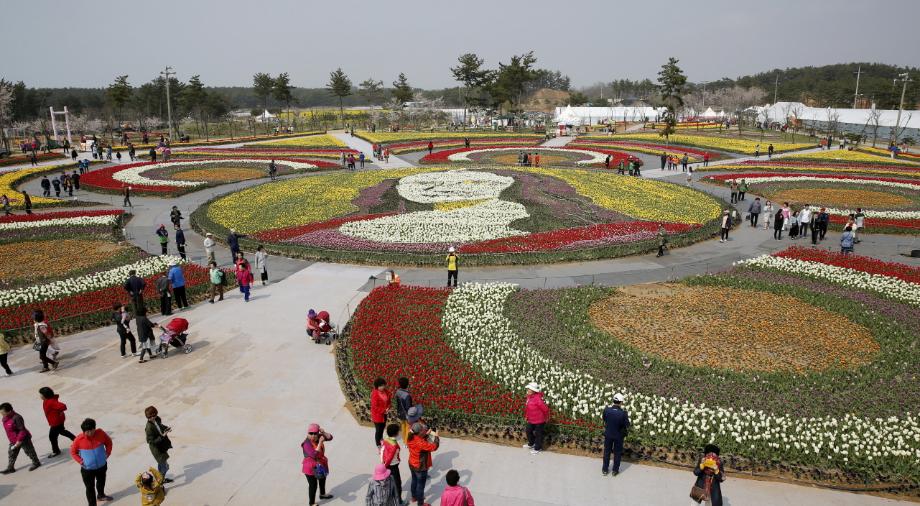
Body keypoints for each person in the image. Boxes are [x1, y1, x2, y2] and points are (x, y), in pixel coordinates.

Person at [70, 418, 114, 505]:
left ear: (94, 428)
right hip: (87, 470)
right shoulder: (79, 440)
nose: (89, 433)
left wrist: (107, 454)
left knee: (101, 482)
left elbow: (109, 443)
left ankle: (101, 495)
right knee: (90, 488)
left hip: (101, 466)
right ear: (84, 431)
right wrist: (81, 462)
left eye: (91, 430)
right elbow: (73, 452)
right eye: (87, 431)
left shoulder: (101, 433)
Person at [1, 403, 42, 473]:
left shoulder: (17, 417)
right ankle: (10, 468)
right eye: (1, 412)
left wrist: (19, 440)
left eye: (3, 412)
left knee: (29, 452)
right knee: (11, 453)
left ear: (9, 411)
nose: (1, 414)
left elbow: (22, 430)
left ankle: (36, 462)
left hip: (23, 439)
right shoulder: (5, 418)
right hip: (13, 440)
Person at [406, 423, 439, 506]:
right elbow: (434, 447)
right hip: (420, 467)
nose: (424, 430)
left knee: (414, 480)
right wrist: (437, 437)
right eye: (422, 429)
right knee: (420, 486)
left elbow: (419, 439)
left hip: (412, 463)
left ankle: (414, 497)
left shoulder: (410, 437)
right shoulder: (420, 443)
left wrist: (426, 434)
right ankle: (420, 503)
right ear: (419, 432)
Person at [301, 423, 334, 505]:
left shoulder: (319, 436)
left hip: (321, 465)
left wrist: (323, 432)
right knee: (313, 485)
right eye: (310, 433)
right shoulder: (306, 444)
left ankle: (322, 494)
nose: (313, 435)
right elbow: (314, 454)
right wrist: (320, 443)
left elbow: (330, 437)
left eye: (315, 433)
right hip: (310, 468)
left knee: (322, 479)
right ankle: (311, 503)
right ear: (307, 433)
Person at [40, 387, 77, 458]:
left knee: (52, 437)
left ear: (45, 395)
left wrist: (60, 412)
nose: (40, 396)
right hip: (57, 421)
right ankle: (76, 440)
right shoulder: (47, 400)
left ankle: (56, 451)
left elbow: (63, 406)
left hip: (56, 422)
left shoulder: (51, 401)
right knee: (62, 432)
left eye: (41, 394)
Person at [601, 393, 630, 476]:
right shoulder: (623, 413)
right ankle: (615, 470)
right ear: (621, 402)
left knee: (607, 452)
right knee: (617, 453)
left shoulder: (606, 410)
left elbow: (604, 419)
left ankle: (605, 469)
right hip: (618, 436)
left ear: (613, 400)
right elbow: (627, 425)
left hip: (608, 434)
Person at [144, 406, 174, 482]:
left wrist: (166, 428)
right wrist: (162, 436)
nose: (153, 418)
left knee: (162, 464)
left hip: (162, 446)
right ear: (147, 417)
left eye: (154, 416)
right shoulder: (149, 428)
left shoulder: (157, 419)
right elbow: (150, 441)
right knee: (165, 466)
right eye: (150, 417)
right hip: (156, 449)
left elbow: (160, 426)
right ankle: (160, 480)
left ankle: (161, 479)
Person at [379, 423, 403, 502]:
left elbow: (382, 450)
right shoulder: (394, 445)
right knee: (397, 484)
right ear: (396, 433)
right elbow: (390, 457)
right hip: (392, 466)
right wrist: (385, 466)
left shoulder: (386, 439)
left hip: (387, 464)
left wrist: (383, 463)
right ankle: (399, 501)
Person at [523, 382, 549, 455]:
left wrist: (546, 417)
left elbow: (546, 409)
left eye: (529, 389)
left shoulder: (538, 399)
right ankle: (531, 444)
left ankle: (538, 448)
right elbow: (528, 408)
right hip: (531, 419)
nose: (527, 390)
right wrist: (527, 416)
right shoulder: (529, 397)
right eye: (528, 389)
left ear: (533, 391)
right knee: (528, 430)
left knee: (538, 434)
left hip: (539, 420)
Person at [371, 378, 392, 448]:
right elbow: (375, 407)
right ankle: (378, 443)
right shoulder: (375, 394)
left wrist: (388, 407)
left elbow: (389, 402)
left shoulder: (386, 392)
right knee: (378, 430)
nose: (383, 387)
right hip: (377, 416)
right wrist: (384, 411)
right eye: (381, 386)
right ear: (377, 386)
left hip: (384, 415)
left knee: (382, 428)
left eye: (383, 385)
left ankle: (381, 438)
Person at [395, 377, 414, 442]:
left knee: (403, 426)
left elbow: (397, 403)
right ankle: (406, 442)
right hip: (406, 414)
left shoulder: (398, 392)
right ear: (407, 384)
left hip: (400, 412)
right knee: (408, 427)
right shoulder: (407, 395)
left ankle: (404, 439)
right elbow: (408, 407)